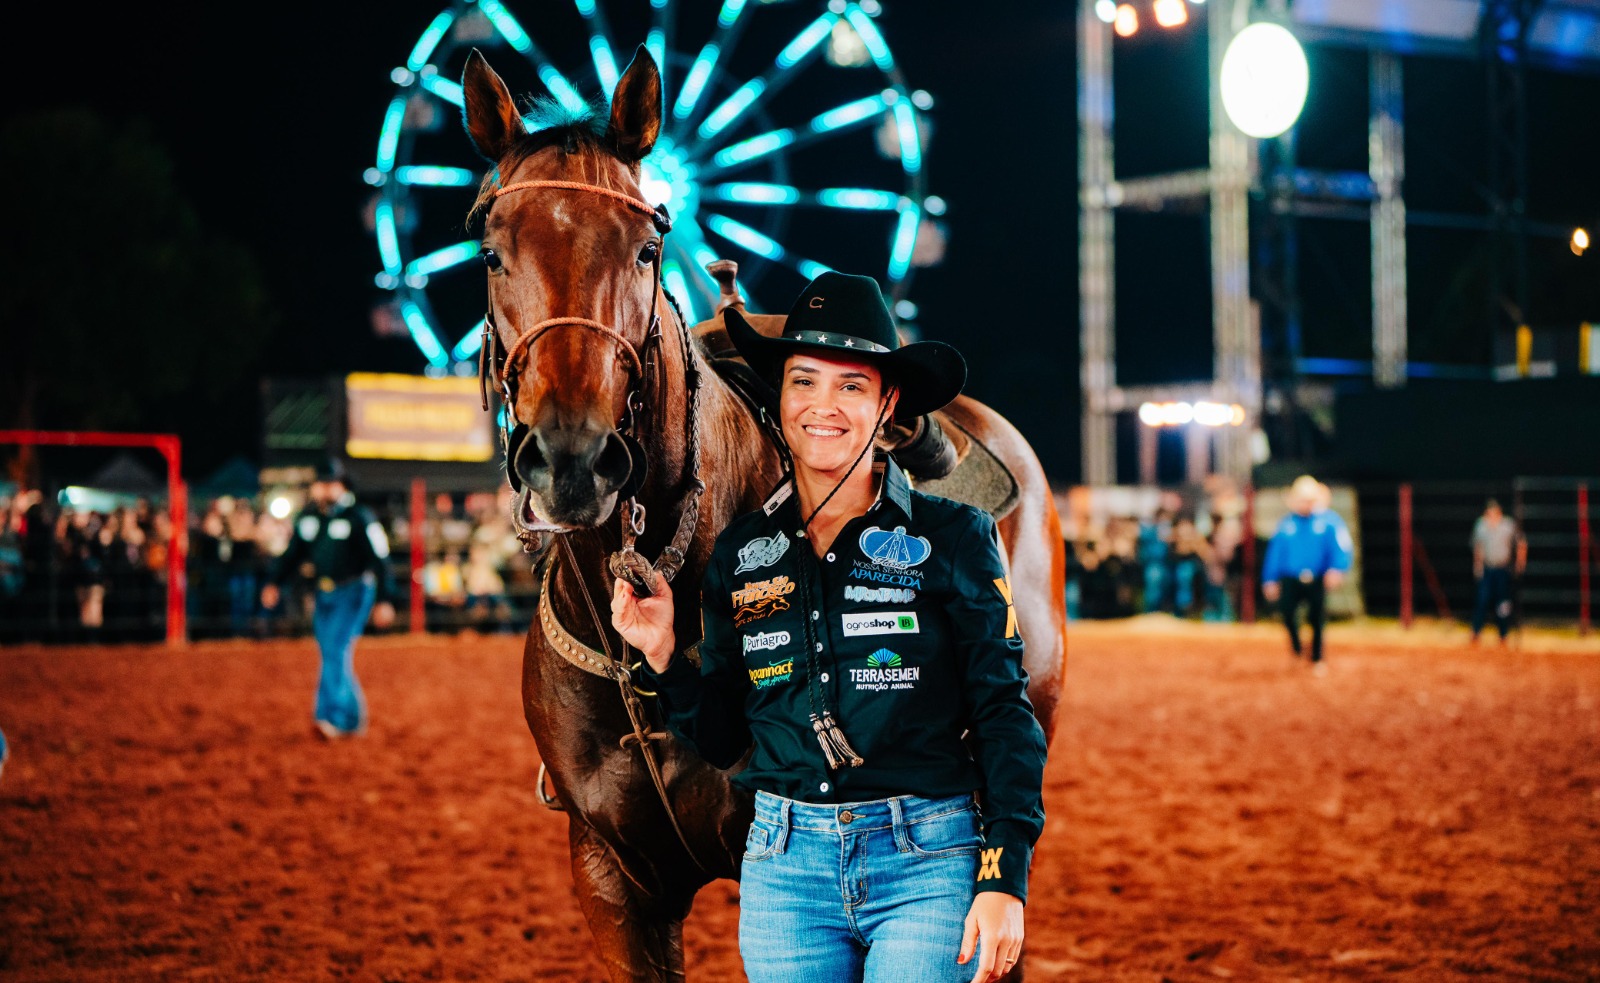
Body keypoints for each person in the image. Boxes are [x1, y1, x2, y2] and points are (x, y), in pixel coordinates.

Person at [610, 271, 1046, 983]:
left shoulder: (956, 535)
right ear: (780, 397)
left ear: (887, 403)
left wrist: (1003, 874)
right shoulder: (741, 554)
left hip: (928, 860)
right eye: (804, 381)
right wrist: (662, 654)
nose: (824, 405)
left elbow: (1004, 713)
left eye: (852, 385)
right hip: (784, 869)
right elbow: (724, 737)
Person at [261, 458, 396, 738]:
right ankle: (348, 717)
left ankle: (333, 717)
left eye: (330, 483)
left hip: (354, 591)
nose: (324, 488)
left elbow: (380, 560)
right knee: (331, 653)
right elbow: (292, 554)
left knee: (335, 650)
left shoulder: (359, 517)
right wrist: (274, 582)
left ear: (341, 485)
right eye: (321, 483)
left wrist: (384, 599)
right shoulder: (309, 518)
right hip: (324, 593)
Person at [1261, 475, 1353, 673]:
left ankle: (1317, 657)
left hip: (1317, 578)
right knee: (1287, 613)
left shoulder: (1329, 522)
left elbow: (1341, 548)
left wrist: (1337, 568)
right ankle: (1297, 649)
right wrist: (1269, 579)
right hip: (1290, 578)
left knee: (1317, 617)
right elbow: (1275, 553)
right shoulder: (1286, 524)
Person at [1470, 498, 1526, 645]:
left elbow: (1521, 543)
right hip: (1487, 569)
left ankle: (1503, 634)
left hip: (1503, 569)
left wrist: (1520, 563)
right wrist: (1477, 566)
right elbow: (1478, 547)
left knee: (1503, 603)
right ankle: (1476, 632)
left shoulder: (1508, 525)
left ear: (1499, 513)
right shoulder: (1481, 526)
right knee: (1482, 600)